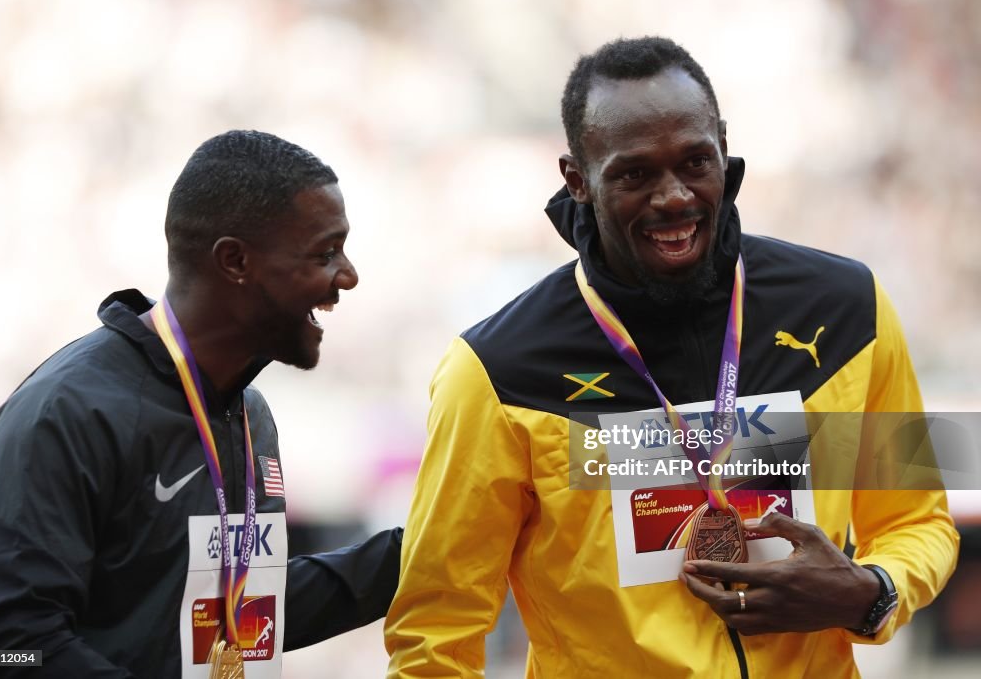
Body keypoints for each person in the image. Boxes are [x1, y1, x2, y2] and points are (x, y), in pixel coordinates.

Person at [385, 38, 959, 677]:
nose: (674, 197)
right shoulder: (497, 371)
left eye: (694, 161)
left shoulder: (847, 308)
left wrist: (871, 592)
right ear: (577, 179)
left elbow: (918, 520)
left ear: (722, 146)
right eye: (634, 173)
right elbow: (437, 634)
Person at [0, 130, 402, 677]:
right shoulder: (65, 415)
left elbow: (240, 613)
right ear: (235, 261)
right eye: (324, 252)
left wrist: (433, 544)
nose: (348, 275)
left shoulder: (247, 414)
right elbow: (1, 651)